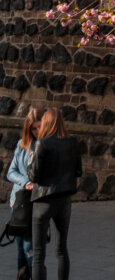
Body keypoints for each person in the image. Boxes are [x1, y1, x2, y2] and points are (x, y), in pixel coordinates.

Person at [29, 108, 82, 280]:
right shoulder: (72, 143)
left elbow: (34, 175)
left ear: (46, 123)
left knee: (38, 253)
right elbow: (78, 171)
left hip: (44, 200)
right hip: (64, 199)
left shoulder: (41, 144)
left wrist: (31, 158)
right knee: (61, 249)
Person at [7, 106, 42, 280]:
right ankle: (23, 276)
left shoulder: (46, 146)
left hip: (36, 203)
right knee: (20, 247)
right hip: (19, 203)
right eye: (33, 128)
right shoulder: (22, 145)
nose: (36, 131)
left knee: (30, 247)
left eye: (39, 127)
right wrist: (26, 181)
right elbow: (10, 172)